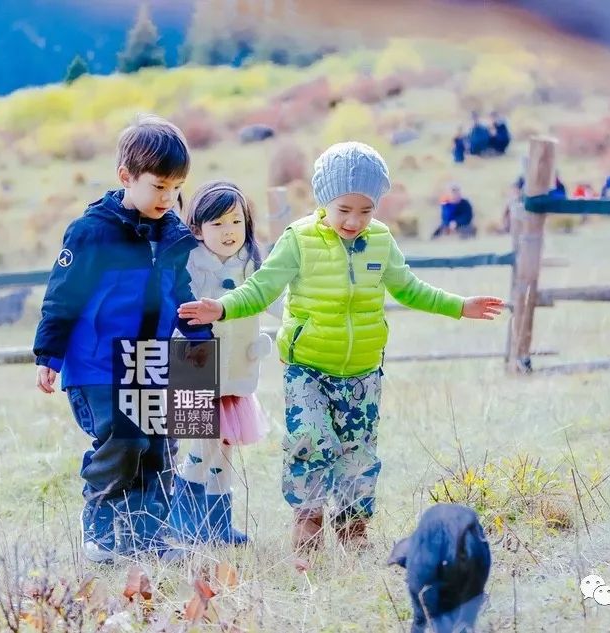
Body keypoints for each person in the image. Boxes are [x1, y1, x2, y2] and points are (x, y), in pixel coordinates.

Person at [178, 142, 504, 553]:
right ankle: (308, 519)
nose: (355, 220)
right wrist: (221, 308)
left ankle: (353, 528)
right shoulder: (299, 239)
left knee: (359, 452)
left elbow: (409, 288)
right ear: (324, 200)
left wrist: (460, 306)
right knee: (310, 438)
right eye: (344, 209)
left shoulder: (381, 242)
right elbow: (261, 289)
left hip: (364, 370)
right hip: (308, 366)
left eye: (366, 211)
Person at [33, 114, 211, 561]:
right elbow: (62, 295)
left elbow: (181, 292)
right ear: (125, 177)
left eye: (176, 188)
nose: (168, 198)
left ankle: (148, 536)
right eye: (158, 186)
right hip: (98, 365)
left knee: (159, 444)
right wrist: (48, 355)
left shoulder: (172, 236)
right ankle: (101, 526)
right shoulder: (92, 232)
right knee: (125, 438)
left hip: (150, 361)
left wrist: (198, 334)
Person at [168, 181, 283, 546]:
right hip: (195, 367)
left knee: (225, 448)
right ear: (198, 229)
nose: (229, 231)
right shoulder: (187, 262)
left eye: (235, 222)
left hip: (235, 372)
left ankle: (218, 525)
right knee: (202, 445)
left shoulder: (252, 264)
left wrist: (301, 321)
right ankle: (183, 521)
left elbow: (276, 302)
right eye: (217, 224)